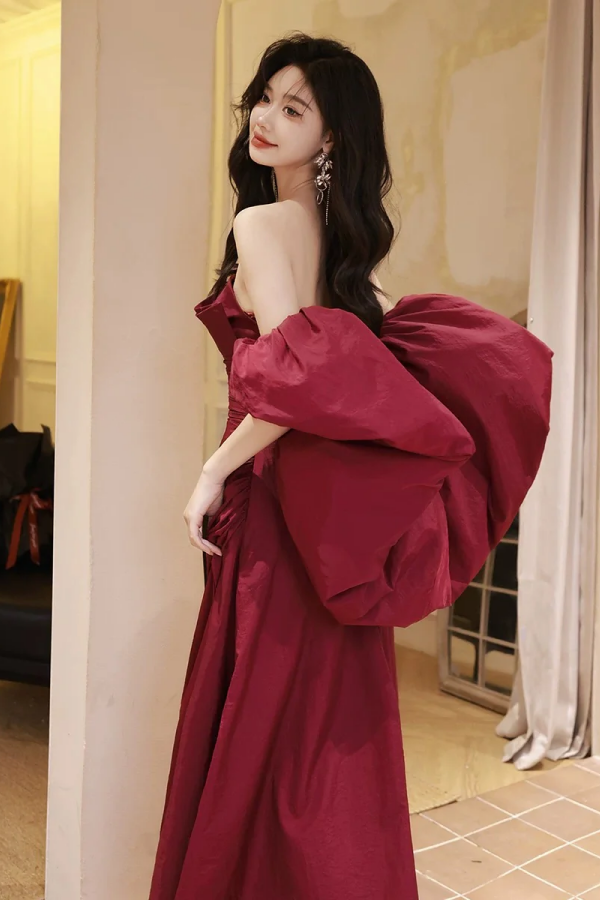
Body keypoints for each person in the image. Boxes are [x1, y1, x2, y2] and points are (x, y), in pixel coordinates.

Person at [148, 33, 553, 900]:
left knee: (263, 728)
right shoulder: (337, 245)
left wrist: (213, 470)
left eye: (293, 108)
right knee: (323, 741)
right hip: (327, 530)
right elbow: (334, 366)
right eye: (265, 98)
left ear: (330, 137)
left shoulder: (261, 225)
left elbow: (293, 383)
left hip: (273, 515)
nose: (265, 117)